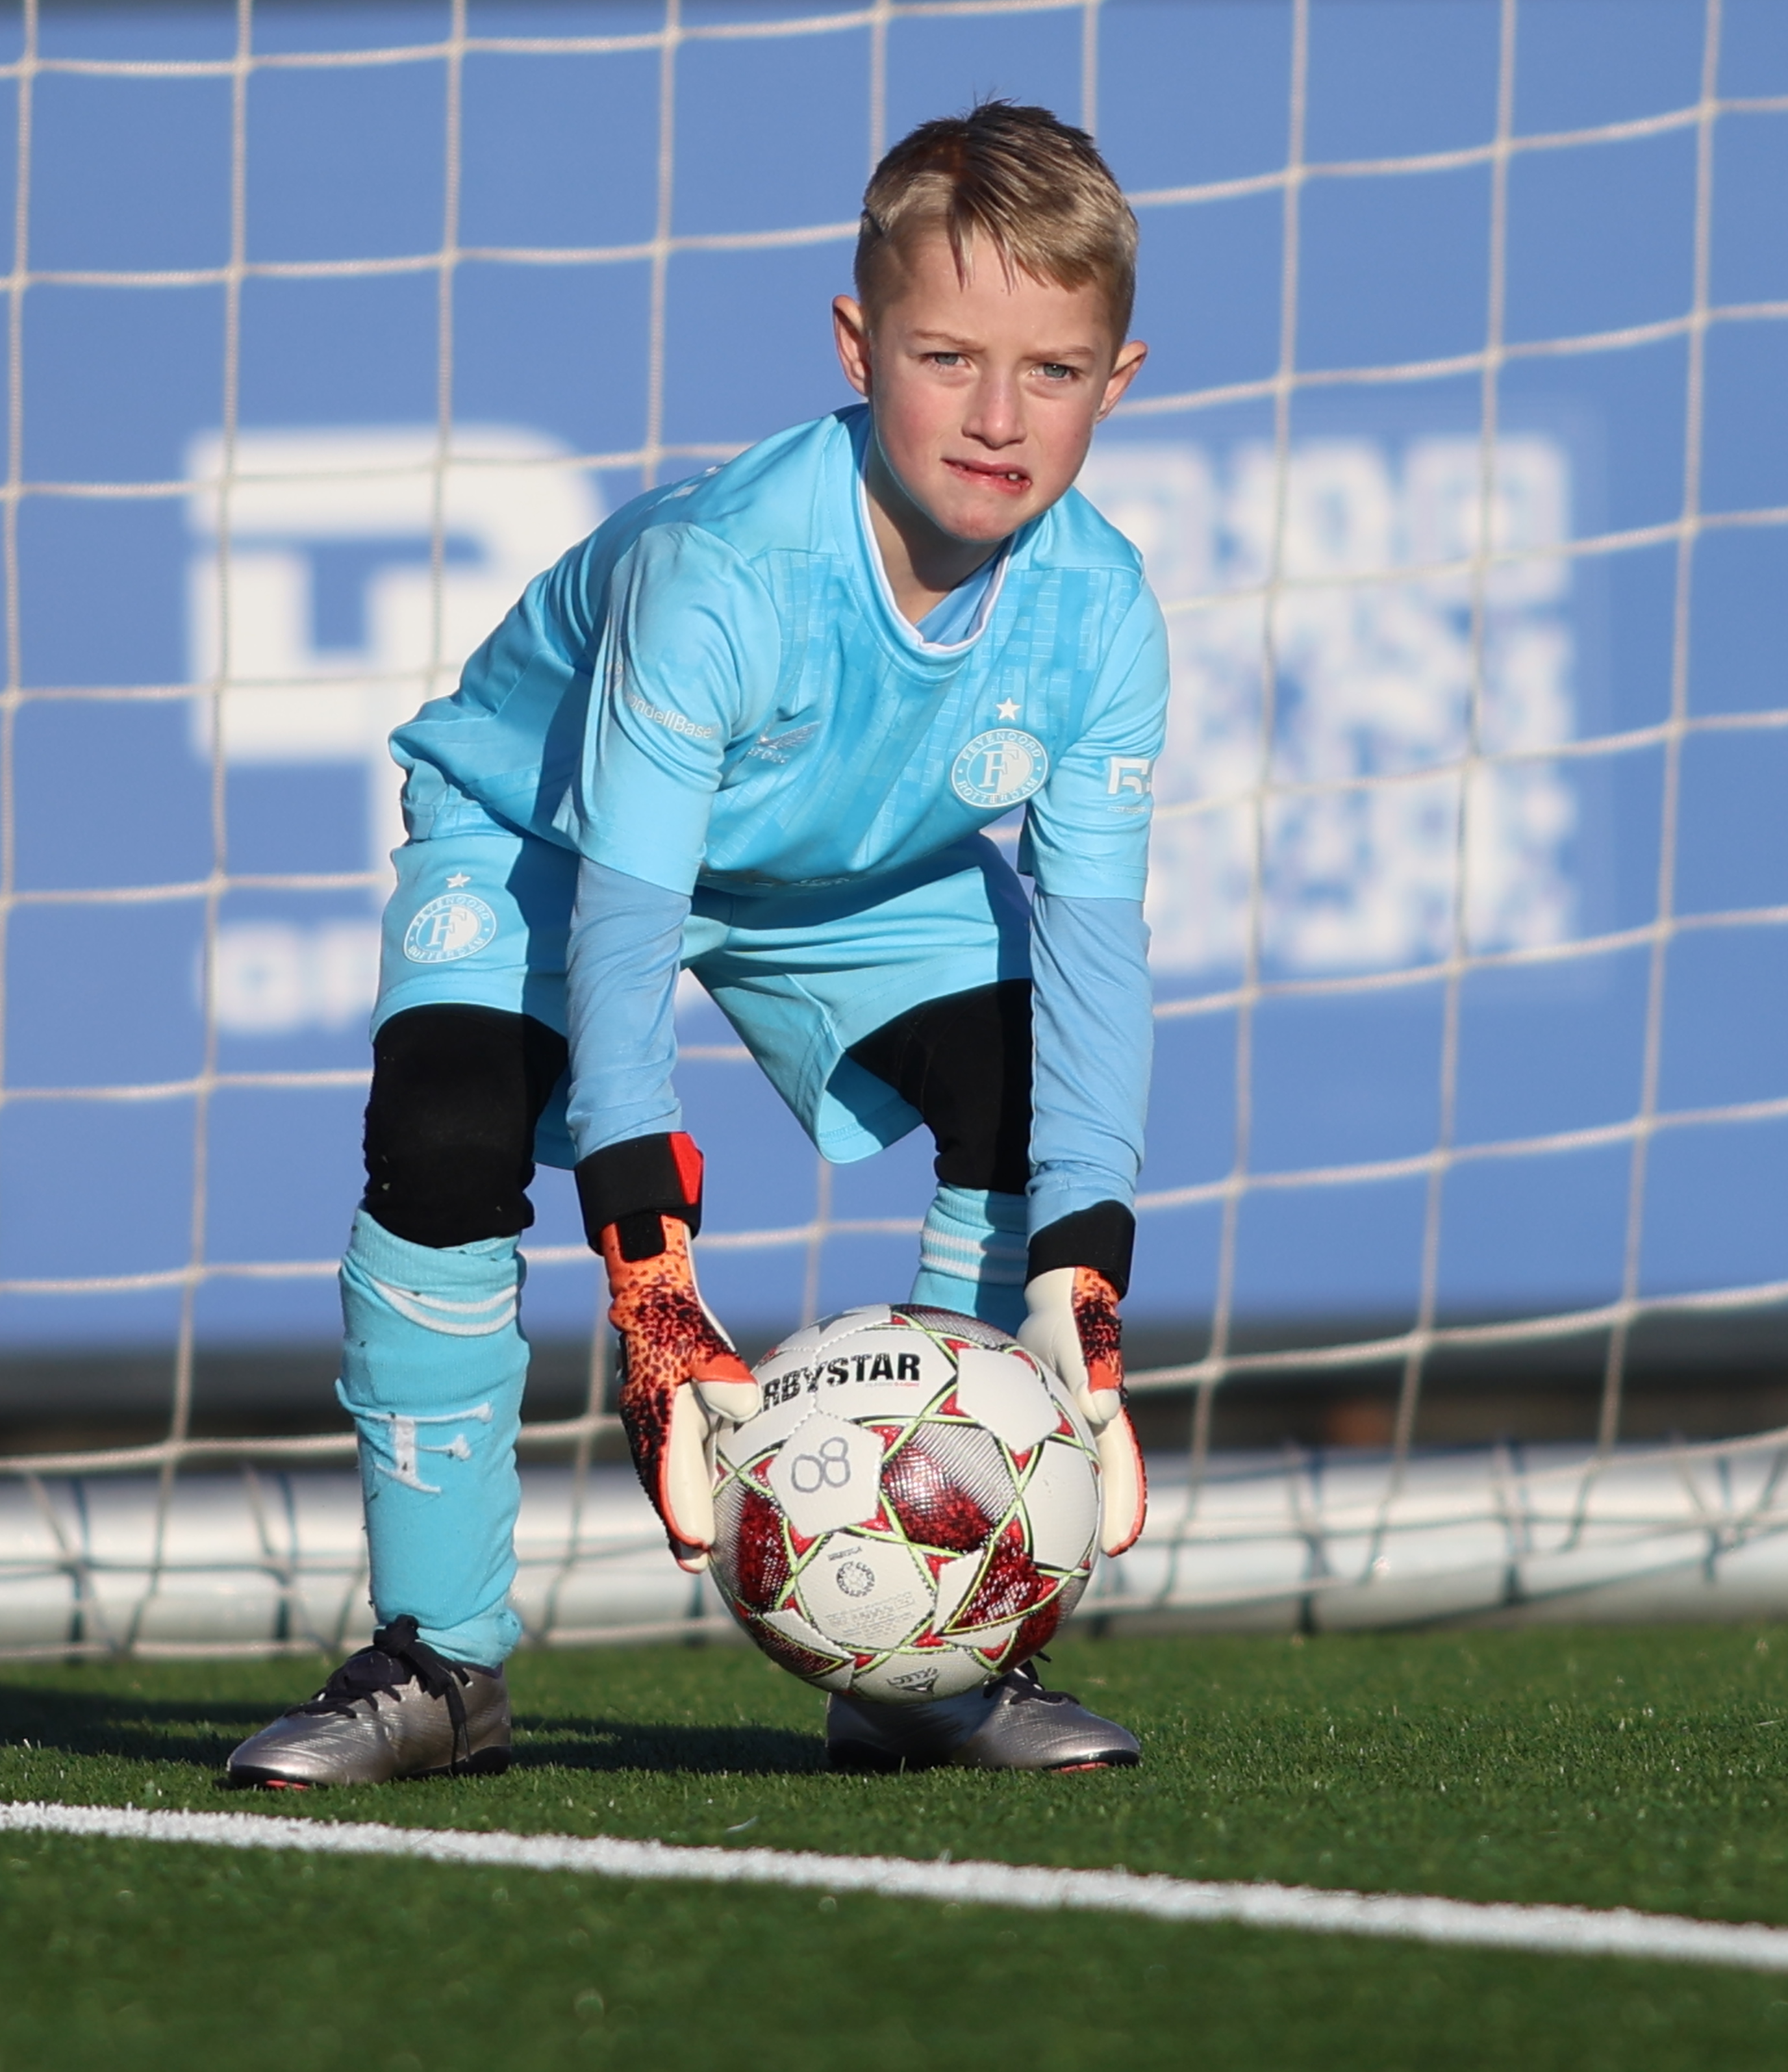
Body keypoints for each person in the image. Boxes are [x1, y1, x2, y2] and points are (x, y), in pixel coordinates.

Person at [224, 101, 1166, 1786]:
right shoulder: (721, 572)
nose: (1000, 417)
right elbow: (623, 925)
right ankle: (438, 1663)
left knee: (1020, 1082)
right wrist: (651, 1285)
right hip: (545, 835)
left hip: (853, 872)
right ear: (857, 344)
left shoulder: (1102, 608)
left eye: (1057, 370)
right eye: (949, 358)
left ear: (1123, 375)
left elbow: (1097, 959)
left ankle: (929, 1663)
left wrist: (1082, 1287)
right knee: (446, 1129)